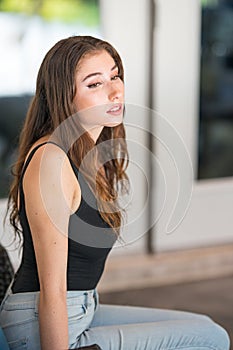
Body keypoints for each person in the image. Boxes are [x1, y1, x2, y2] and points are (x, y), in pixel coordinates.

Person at [0, 35, 230, 350]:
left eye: (115, 75)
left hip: (82, 307)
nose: (115, 90)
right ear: (63, 96)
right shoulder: (51, 161)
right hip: (44, 323)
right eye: (94, 84)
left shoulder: (89, 151)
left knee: (204, 327)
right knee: (211, 340)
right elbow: (52, 288)